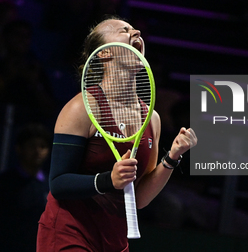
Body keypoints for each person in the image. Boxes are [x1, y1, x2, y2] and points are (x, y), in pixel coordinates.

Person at [36, 16, 197, 252]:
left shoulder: (151, 118)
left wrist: (172, 157)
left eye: (135, 29)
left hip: (114, 240)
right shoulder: (81, 108)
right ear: (103, 53)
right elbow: (58, 183)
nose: (136, 32)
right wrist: (108, 180)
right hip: (69, 232)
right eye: (124, 30)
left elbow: (140, 197)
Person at [0, 123, 51, 252]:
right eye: (32, 146)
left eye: (42, 146)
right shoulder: (5, 183)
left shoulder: (51, 185)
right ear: (19, 149)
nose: (37, 151)